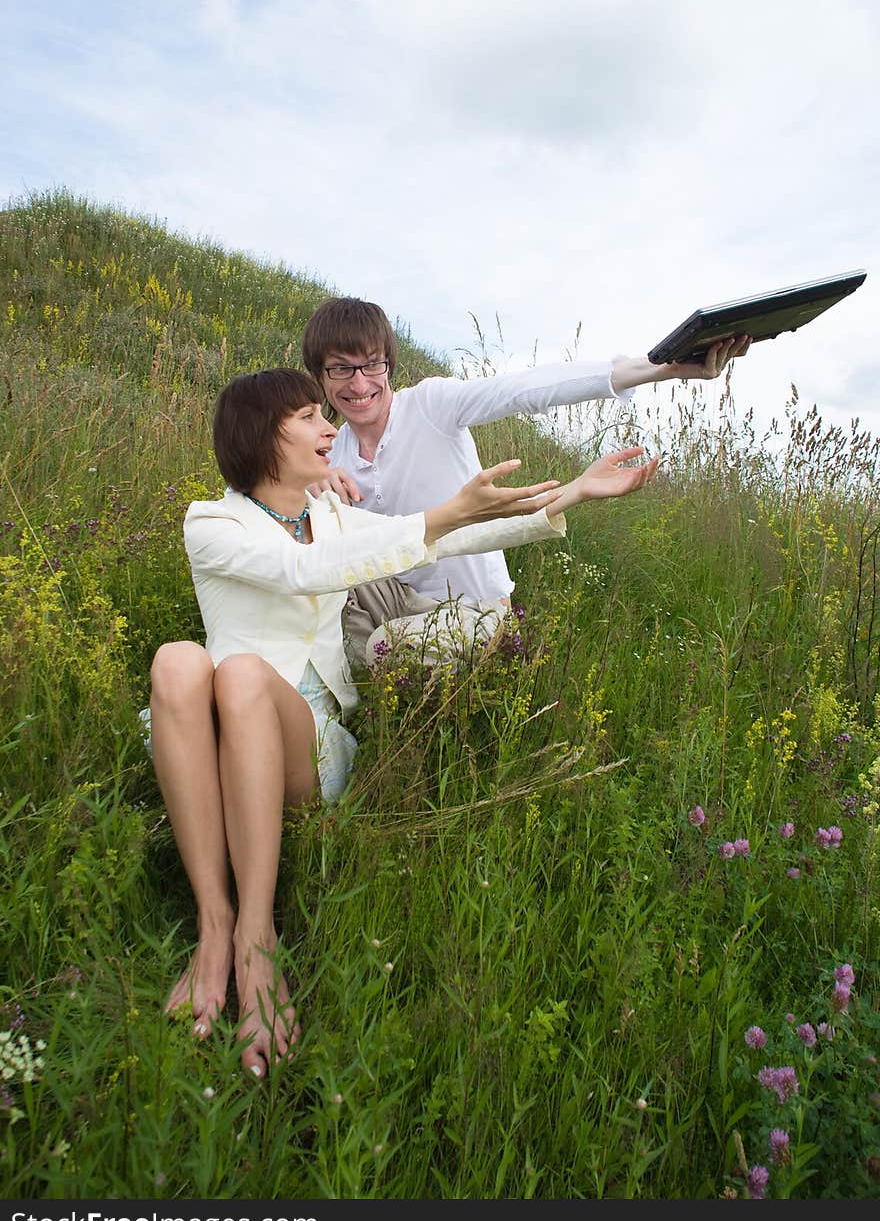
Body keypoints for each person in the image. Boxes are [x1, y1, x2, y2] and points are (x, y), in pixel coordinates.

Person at [147, 366, 658, 1078]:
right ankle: (215, 921)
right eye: (308, 417)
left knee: (236, 674)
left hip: (301, 737)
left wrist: (571, 492)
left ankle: (258, 934)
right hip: (218, 734)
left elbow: (444, 541)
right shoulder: (211, 523)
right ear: (260, 436)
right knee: (177, 660)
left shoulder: (329, 515)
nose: (331, 430)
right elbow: (309, 571)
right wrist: (440, 515)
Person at [301, 297, 750, 665]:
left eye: (372, 366)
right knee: (324, 586)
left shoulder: (430, 406)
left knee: (381, 650)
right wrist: (314, 496)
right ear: (321, 377)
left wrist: (657, 368)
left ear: (389, 367)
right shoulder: (332, 453)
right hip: (398, 598)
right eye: (341, 369)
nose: (359, 384)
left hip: (472, 609)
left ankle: (429, 687)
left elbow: (522, 390)